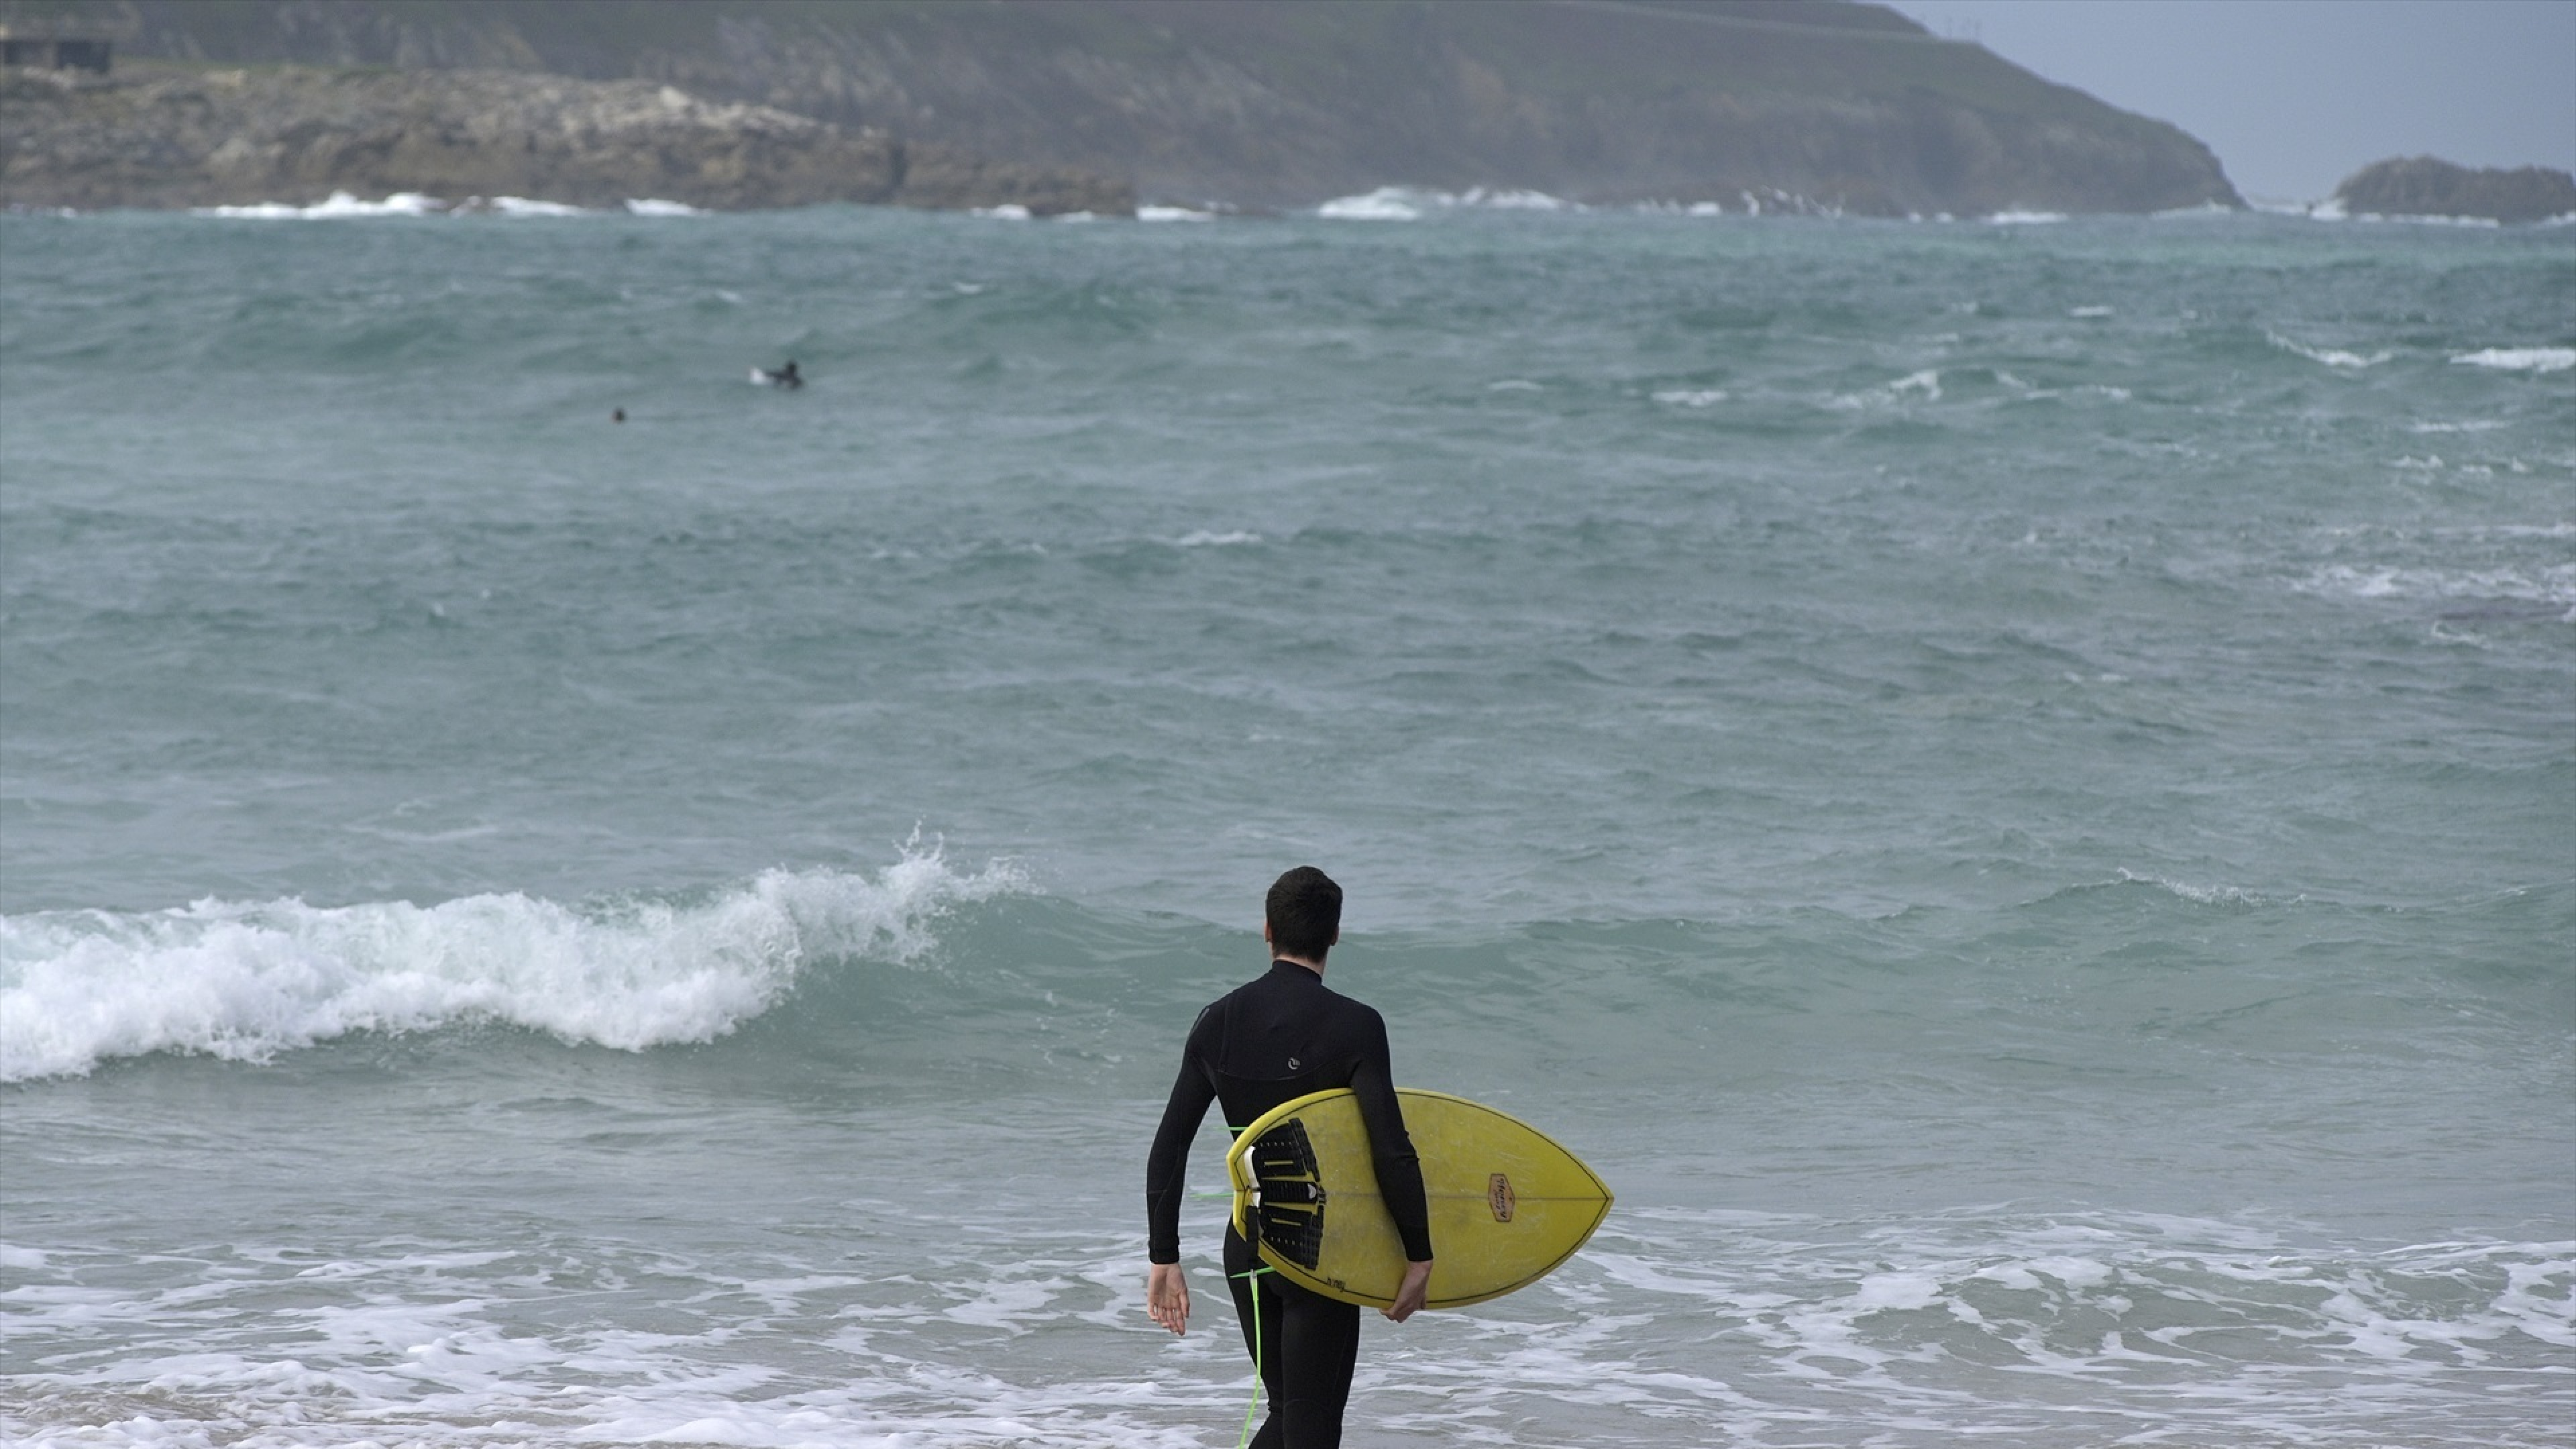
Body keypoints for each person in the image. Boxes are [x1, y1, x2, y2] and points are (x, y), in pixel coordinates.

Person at [1144, 867, 1434, 1449]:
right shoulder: (1356, 1025)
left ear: (1267, 929)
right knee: (1310, 1426)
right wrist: (1419, 1253)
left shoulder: (1216, 1021)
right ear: (1334, 936)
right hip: (1319, 1251)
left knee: (1293, 1417)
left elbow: (1169, 1146)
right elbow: (1391, 1150)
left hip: (1247, 1248)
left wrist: (1164, 1257)